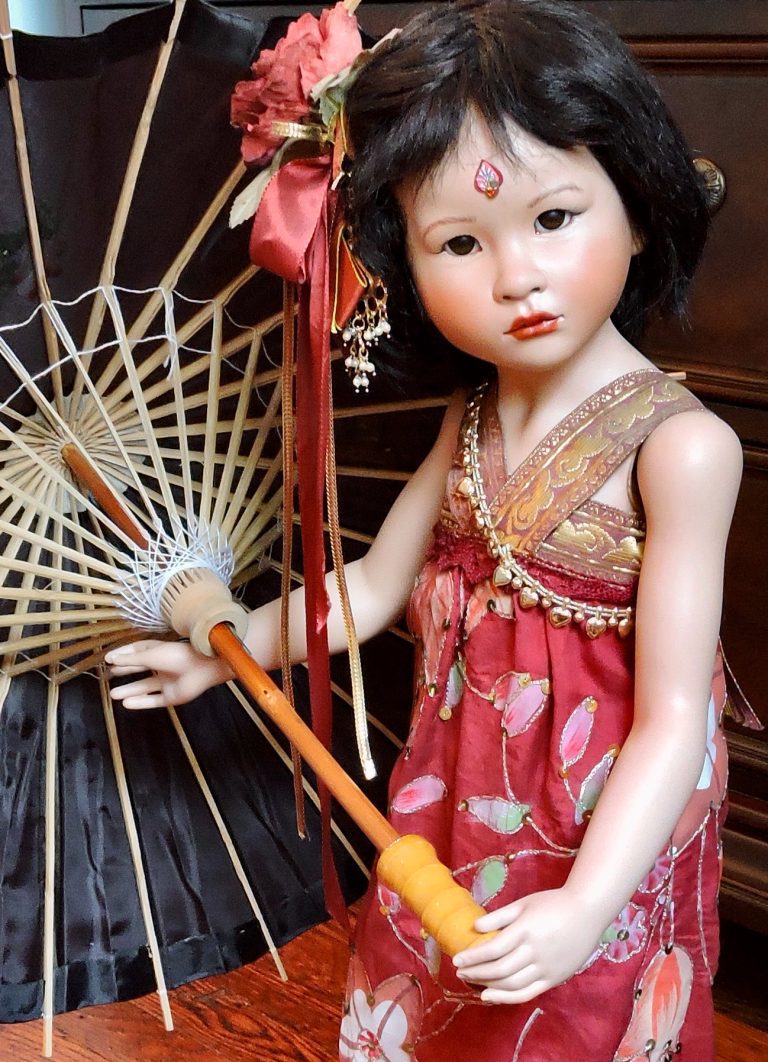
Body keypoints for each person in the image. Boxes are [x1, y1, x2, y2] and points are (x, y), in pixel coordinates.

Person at [108, 1, 747, 1057]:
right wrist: (225, 656)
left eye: (554, 218)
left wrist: (589, 902)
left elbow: (675, 719)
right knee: (442, 988)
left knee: (577, 1012)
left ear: (638, 210)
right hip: (458, 794)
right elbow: (371, 587)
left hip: (604, 817)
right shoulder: (474, 416)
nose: (516, 276)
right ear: (405, 266)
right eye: (458, 241)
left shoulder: (681, 451)